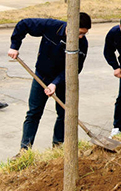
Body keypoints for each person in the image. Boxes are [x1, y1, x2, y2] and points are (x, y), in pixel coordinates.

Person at [8, 13, 92, 152]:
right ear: (70, 26)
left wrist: (55, 83)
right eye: (79, 33)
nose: (81, 37)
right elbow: (24, 24)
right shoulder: (51, 26)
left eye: (84, 33)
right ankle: (24, 149)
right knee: (33, 113)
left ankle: (58, 146)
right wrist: (14, 46)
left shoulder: (82, 44)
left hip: (64, 81)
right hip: (41, 76)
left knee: (64, 113)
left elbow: (75, 68)